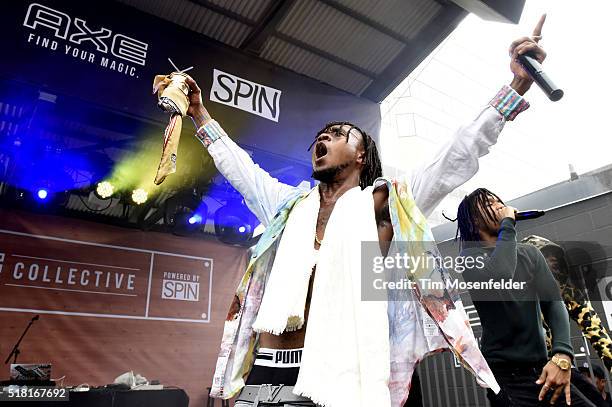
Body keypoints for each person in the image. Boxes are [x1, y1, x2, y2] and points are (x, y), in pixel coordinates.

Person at [180, 18, 547, 407]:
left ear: (360, 154)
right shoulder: (290, 209)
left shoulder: (385, 206)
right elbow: (242, 170)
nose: (323, 137)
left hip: (342, 376)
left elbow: (459, 152)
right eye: (321, 135)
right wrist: (199, 114)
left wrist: (517, 86)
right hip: (266, 372)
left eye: (338, 134)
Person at [456, 188, 592, 406]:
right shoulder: (469, 258)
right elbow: (501, 272)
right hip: (507, 377)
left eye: (499, 201)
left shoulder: (530, 254)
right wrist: (507, 225)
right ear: (473, 222)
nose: (499, 205)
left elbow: (554, 303)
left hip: (542, 367)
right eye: (489, 203)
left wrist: (563, 355)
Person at [523, 235, 612, 374]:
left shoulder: (569, 291)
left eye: (555, 262)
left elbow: (596, 332)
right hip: (523, 371)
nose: (552, 266)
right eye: (544, 260)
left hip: (555, 365)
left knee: (587, 393)